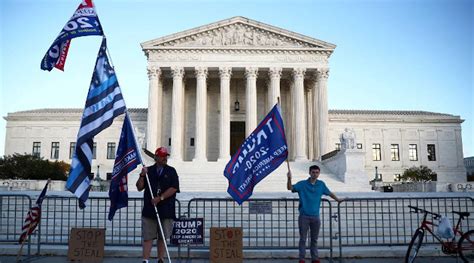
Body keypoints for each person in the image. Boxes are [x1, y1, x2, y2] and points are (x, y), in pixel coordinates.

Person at [287, 165, 342, 263]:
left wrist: (338, 200)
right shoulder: (302, 184)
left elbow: (329, 193)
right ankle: (302, 259)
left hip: (315, 217)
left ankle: (315, 258)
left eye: (317, 172)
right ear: (309, 173)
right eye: (313, 172)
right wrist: (289, 178)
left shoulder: (321, 184)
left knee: (314, 240)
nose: (315, 174)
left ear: (319, 173)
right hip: (304, 216)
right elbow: (290, 188)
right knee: (303, 239)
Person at [136, 147, 180, 263]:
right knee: (148, 237)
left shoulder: (171, 171)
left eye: (166, 156)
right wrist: (141, 175)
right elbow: (139, 187)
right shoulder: (148, 170)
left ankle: (160, 259)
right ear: (156, 157)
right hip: (150, 210)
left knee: (163, 237)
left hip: (166, 209)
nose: (165, 158)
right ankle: (145, 259)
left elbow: (174, 187)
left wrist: (160, 198)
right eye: (162, 156)